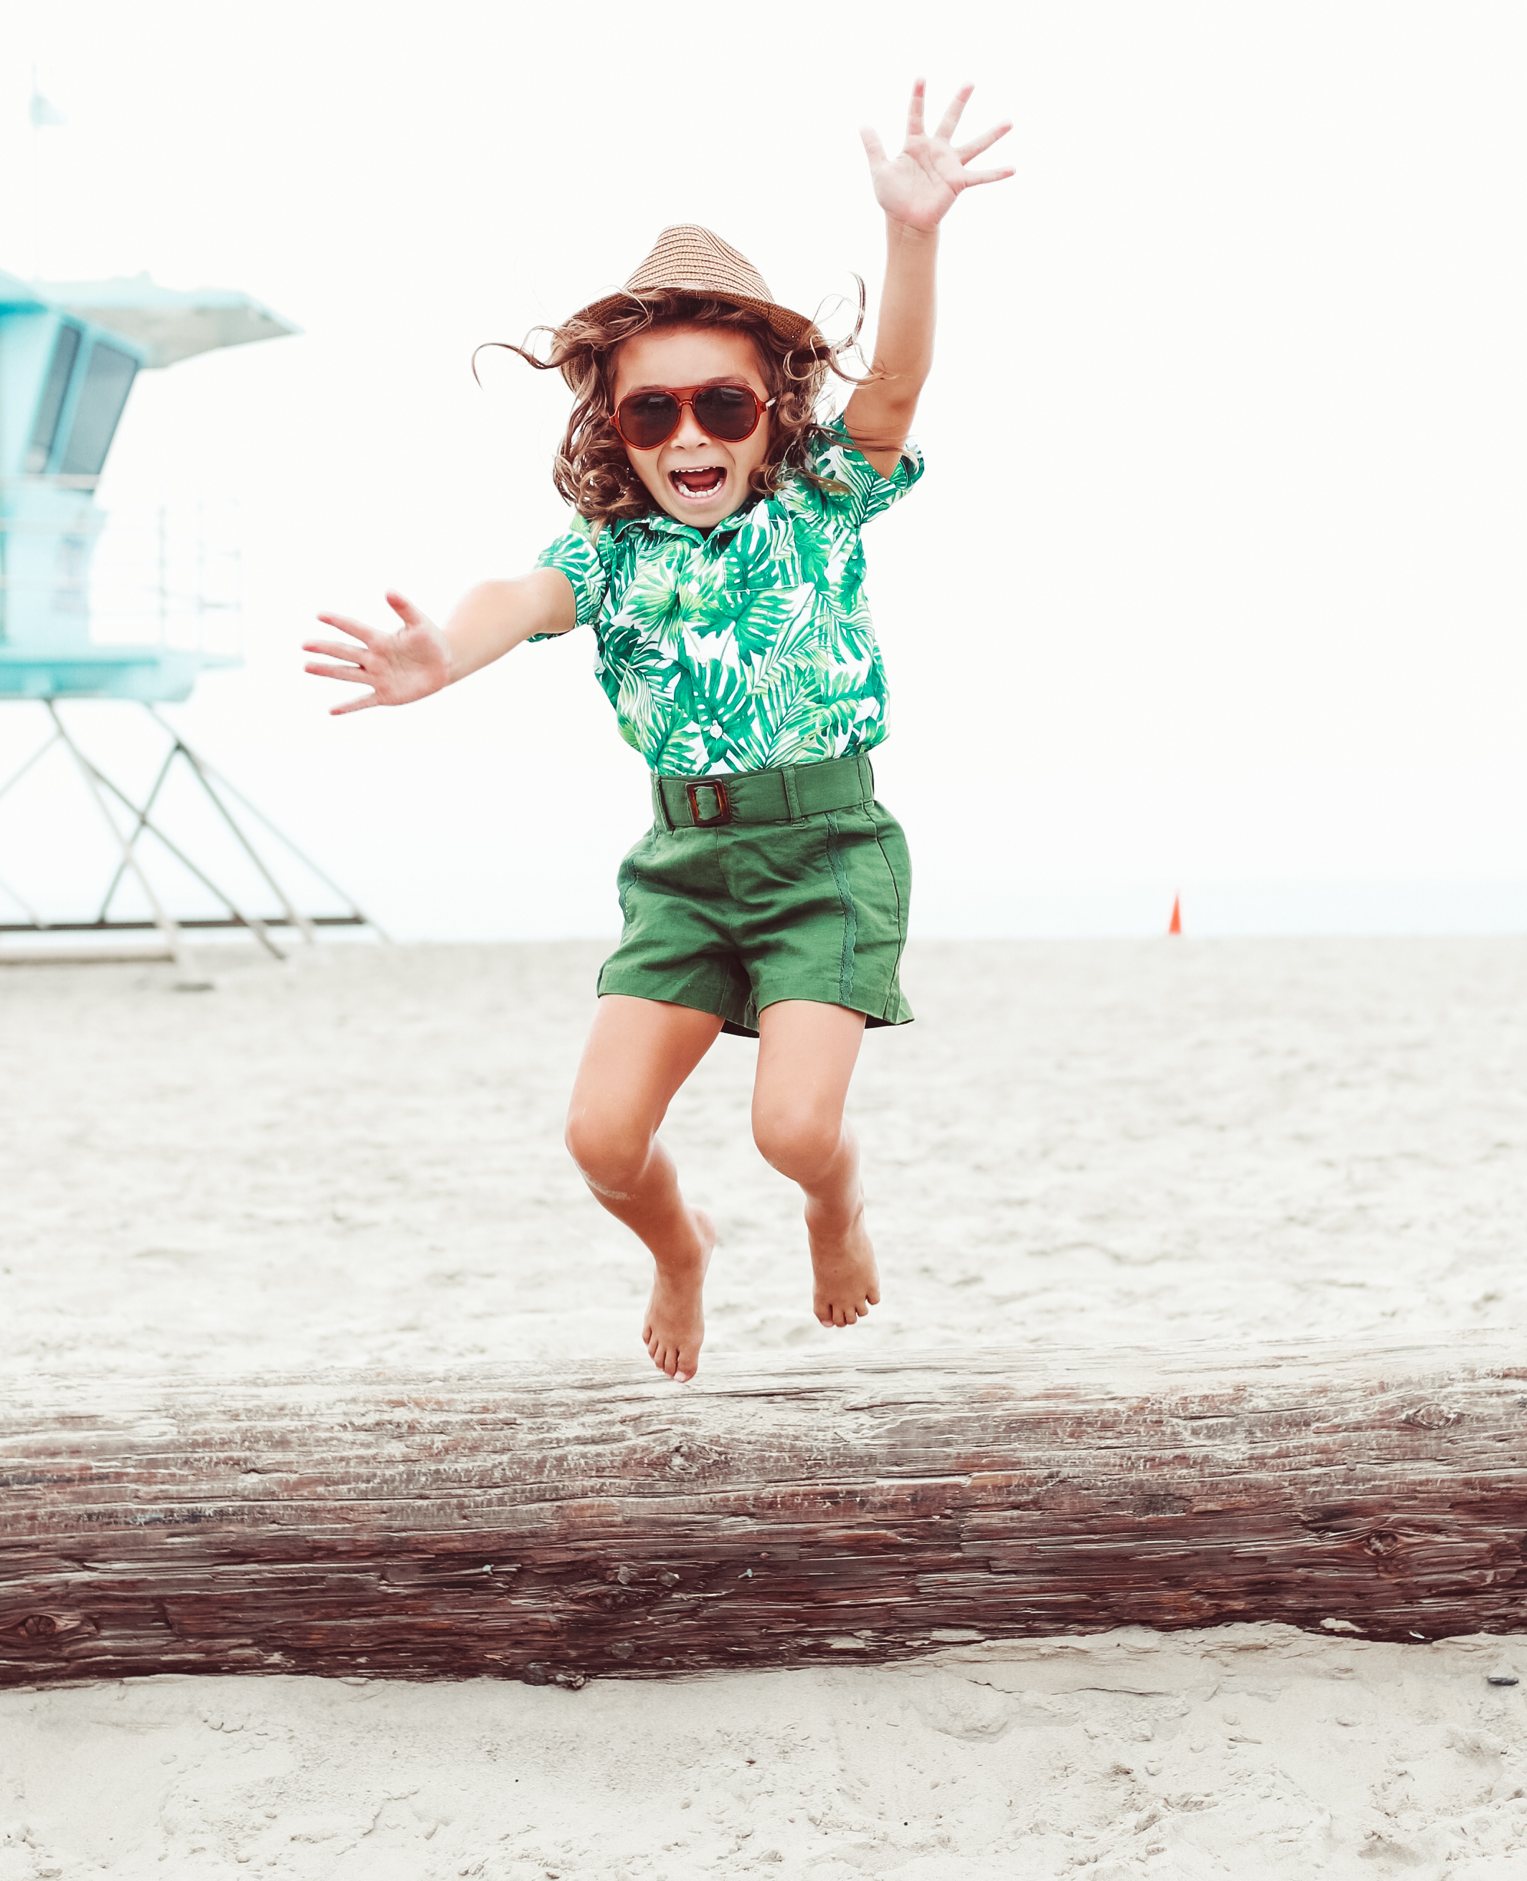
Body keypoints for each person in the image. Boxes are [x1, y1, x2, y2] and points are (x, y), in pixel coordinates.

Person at [304, 80, 1013, 1381]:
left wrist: (912, 233)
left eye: (721, 407)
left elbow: (898, 384)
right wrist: (438, 661)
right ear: (615, 432)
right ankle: (680, 1253)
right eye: (653, 413)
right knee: (599, 1140)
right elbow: (509, 605)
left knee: (793, 1132)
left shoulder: (816, 508)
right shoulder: (604, 556)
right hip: (682, 872)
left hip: (828, 851)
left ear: (768, 414)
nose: (689, 433)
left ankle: (833, 1210)